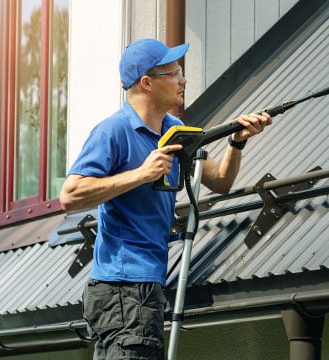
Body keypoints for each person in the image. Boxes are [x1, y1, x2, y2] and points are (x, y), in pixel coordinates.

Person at [59, 38, 272, 359]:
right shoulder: (113, 131)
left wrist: (237, 143)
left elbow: (220, 181)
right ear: (146, 83)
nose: (183, 80)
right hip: (123, 286)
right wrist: (142, 174)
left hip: (145, 285)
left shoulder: (175, 129)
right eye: (173, 74)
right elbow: (70, 195)